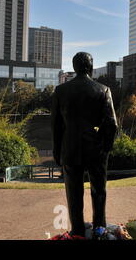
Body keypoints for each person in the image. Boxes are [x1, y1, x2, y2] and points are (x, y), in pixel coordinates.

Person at [51, 52, 118, 237]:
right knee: (99, 191)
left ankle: (78, 230)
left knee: (73, 193)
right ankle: (99, 229)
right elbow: (112, 124)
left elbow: (56, 126)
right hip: (95, 148)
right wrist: (106, 147)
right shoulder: (103, 90)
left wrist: (57, 151)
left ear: (74, 67)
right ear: (90, 66)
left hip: (70, 149)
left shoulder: (60, 91)